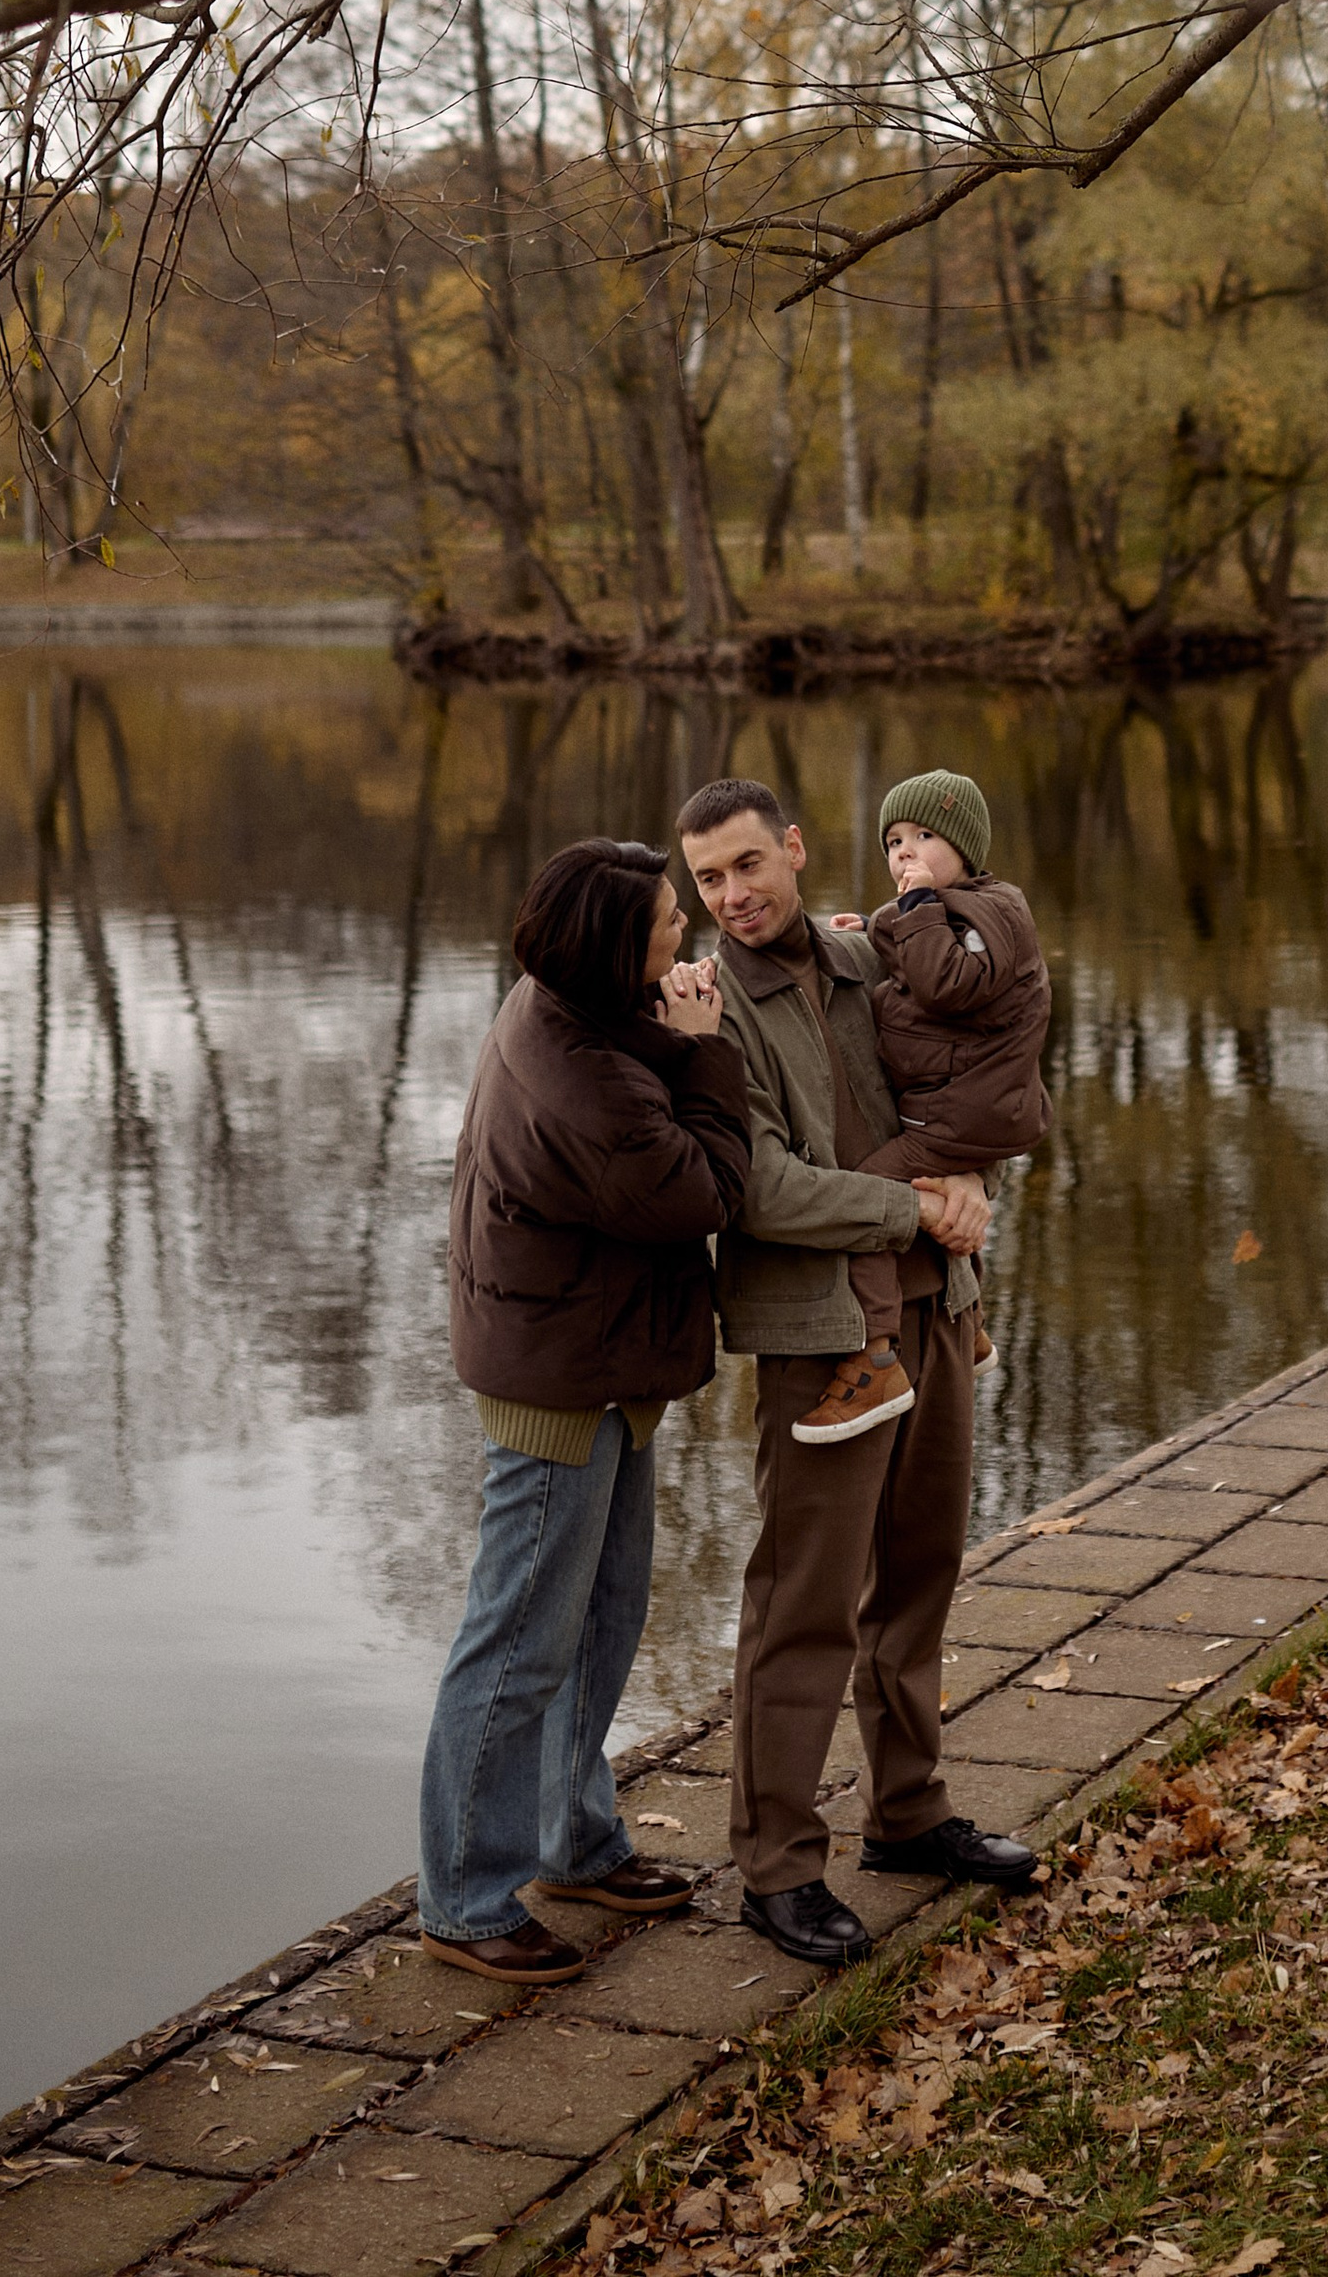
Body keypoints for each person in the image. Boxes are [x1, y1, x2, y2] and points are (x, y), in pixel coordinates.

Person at [672, 776, 1037, 1971]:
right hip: (821, 1335)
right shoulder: (717, 1014)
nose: (730, 896)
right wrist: (918, 1205)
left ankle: (910, 1811)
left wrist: (976, 1181)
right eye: (707, 879)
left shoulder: (873, 950)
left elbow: (971, 1072)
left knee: (922, 1570)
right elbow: (763, 1188)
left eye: (746, 866)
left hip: (937, 1306)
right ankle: (778, 1866)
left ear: (793, 848)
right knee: (804, 1603)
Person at [418, 837, 750, 1987]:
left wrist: (678, 1022)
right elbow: (705, 1189)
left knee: (601, 1614)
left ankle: (571, 1838)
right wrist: (707, 1054)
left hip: (595, 1354)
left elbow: (635, 1066)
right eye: (668, 921)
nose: (686, 931)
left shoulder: (568, 1005)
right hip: (559, 1375)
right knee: (517, 1640)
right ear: (616, 943)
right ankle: (464, 1895)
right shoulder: (580, 1077)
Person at [791, 764, 1051, 1448]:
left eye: (924, 836)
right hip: (974, 1105)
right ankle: (970, 1327)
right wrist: (869, 930)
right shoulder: (960, 910)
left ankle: (876, 1355)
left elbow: (943, 983)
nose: (904, 853)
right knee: (939, 1200)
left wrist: (912, 913)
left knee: (868, 1195)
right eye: (893, 843)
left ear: (966, 849)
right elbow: (916, 953)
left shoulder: (989, 913)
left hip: (963, 1112)